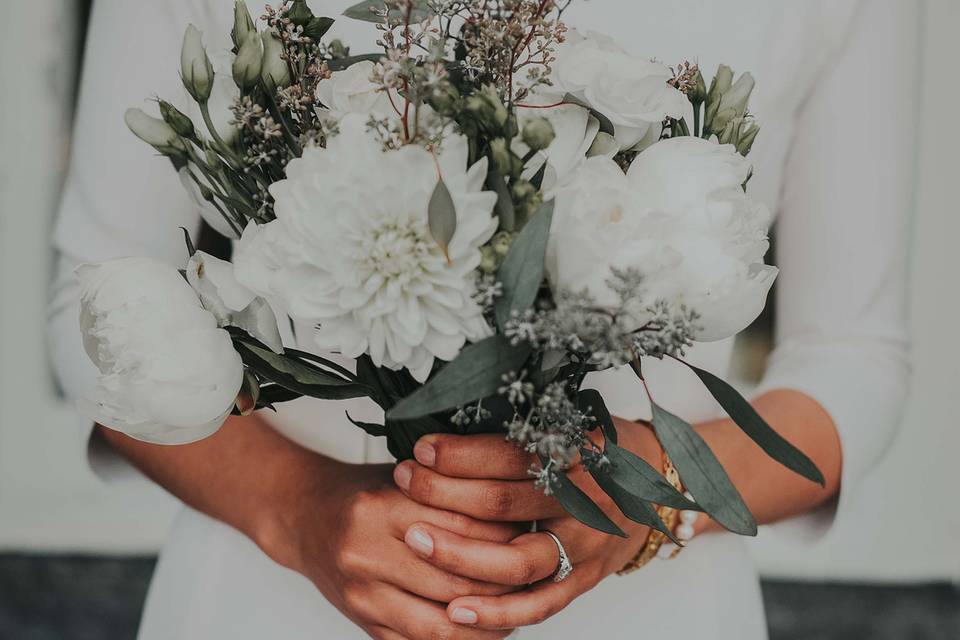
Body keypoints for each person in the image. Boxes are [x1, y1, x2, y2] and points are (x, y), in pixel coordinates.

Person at [47, 1, 916, 638]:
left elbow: (856, 358)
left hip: (654, 611)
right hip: (270, 595)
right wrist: (296, 506)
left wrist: (651, 495)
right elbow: (87, 307)